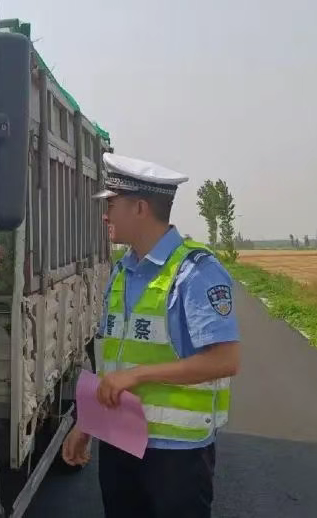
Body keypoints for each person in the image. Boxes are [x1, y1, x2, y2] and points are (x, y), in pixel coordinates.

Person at [61, 152, 241, 518]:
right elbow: (114, 362)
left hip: (175, 456)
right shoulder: (123, 271)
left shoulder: (194, 273)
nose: (105, 215)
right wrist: (87, 423)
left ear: (140, 208)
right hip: (120, 441)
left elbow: (225, 360)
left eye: (111, 205)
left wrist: (138, 376)